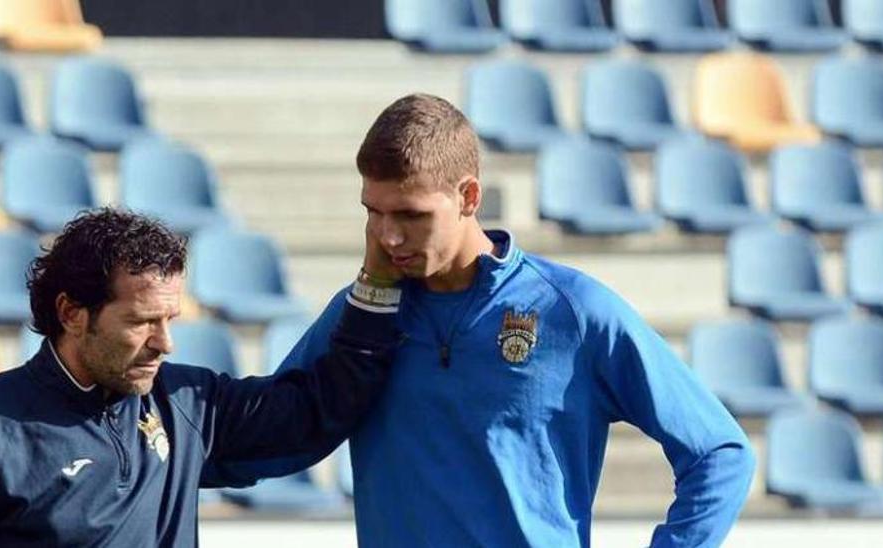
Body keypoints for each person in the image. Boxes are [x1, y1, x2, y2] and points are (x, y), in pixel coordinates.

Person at [212, 94, 757, 547]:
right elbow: (280, 437)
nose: (388, 237)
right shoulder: (362, 316)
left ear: (469, 196)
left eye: (410, 215)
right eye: (373, 212)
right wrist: (153, 454)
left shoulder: (572, 311)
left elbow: (719, 453)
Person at [0, 207, 404, 546]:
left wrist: (378, 288)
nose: (165, 343)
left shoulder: (186, 404)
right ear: (72, 313)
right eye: (141, 322)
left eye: (170, 319)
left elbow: (313, 414)